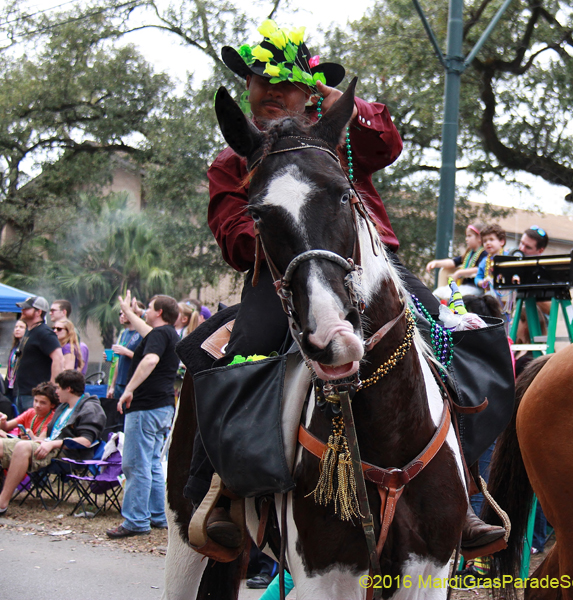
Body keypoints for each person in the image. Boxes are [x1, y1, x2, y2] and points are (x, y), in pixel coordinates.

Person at [193, 19, 502, 552]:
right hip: (284, 275)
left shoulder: (336, 134)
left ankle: (466, 491)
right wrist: (284, 227)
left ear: (308, 88)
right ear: (246, 88)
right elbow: (235, 241)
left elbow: (388, 141)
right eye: (259, 80)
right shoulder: (231, 159)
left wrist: (344, 103)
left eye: (286, 82)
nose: (271, 91)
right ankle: (222, 493)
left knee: (453, 341)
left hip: (378, 267)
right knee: (239, 354)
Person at [106, 292, 180, 539]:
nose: (145, 312)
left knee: (136, 464)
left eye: (149, 308)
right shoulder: (168, 334)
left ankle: (136, 520)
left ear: (159, 312)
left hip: (145, 407)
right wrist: (129, 312)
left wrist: (128, 390)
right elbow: (145, 329)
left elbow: (149, 360)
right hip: (163, 407)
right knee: (151, 464)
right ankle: (158, 515)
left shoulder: (159, 335)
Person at [0, 369, 105, 514]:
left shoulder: (90, 408)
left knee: (23, 447)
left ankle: (2, 503)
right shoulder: (63, 407)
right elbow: (49, 434)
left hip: (68, 453)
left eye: (58, 388)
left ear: (68, 388)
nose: (56, 392)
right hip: (48, 445)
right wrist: (35, 439)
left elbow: (85, 441)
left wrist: (52, 444)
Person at [11, 296, 63, 414]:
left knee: (35, 428)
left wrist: (51, 388)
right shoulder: (30, 331)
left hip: (37, 396)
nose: (22, 311)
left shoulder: (44, 333)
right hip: (23, 393)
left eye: (27, 308)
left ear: (39, 312)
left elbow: (58, 359)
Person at [426, 223, 486, 298]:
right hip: (462, 287)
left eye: (469, 236)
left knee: (451, 296)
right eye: (466, 236)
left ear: (479, 238)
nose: (466, 239)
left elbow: (479, 269)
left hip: (474, 287)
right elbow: (453, 262)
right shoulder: (468, 254)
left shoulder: (484, 253)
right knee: (438, 292)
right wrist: (436, 263)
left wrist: (459, 272)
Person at [108, 304, 145, 400]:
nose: (122, 315)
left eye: (125, 312)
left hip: (132, 383)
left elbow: (145, 360)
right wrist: (112, 386)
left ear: (137, 314)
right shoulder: (124, 333)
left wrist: (127, 352)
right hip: (119, 383)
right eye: (120, 313)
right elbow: (119, 361)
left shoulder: (143, 333)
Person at [5, 319, 26, 400]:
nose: (17, 329)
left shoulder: (27, 347)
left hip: (20, 388)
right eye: (16, 327)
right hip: (9, 386)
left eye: (21, 327)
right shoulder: (14, 347)